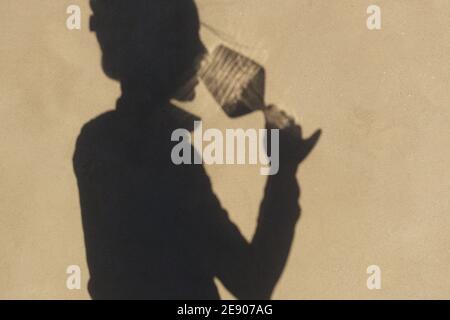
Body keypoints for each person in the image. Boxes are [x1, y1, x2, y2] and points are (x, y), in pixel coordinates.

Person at [73, 0, 320, 300]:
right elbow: (252, 282)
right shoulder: (166, 155)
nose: (202, 53)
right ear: (158, 55)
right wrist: (282, 169)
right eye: (187, 40)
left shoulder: (95, 141)